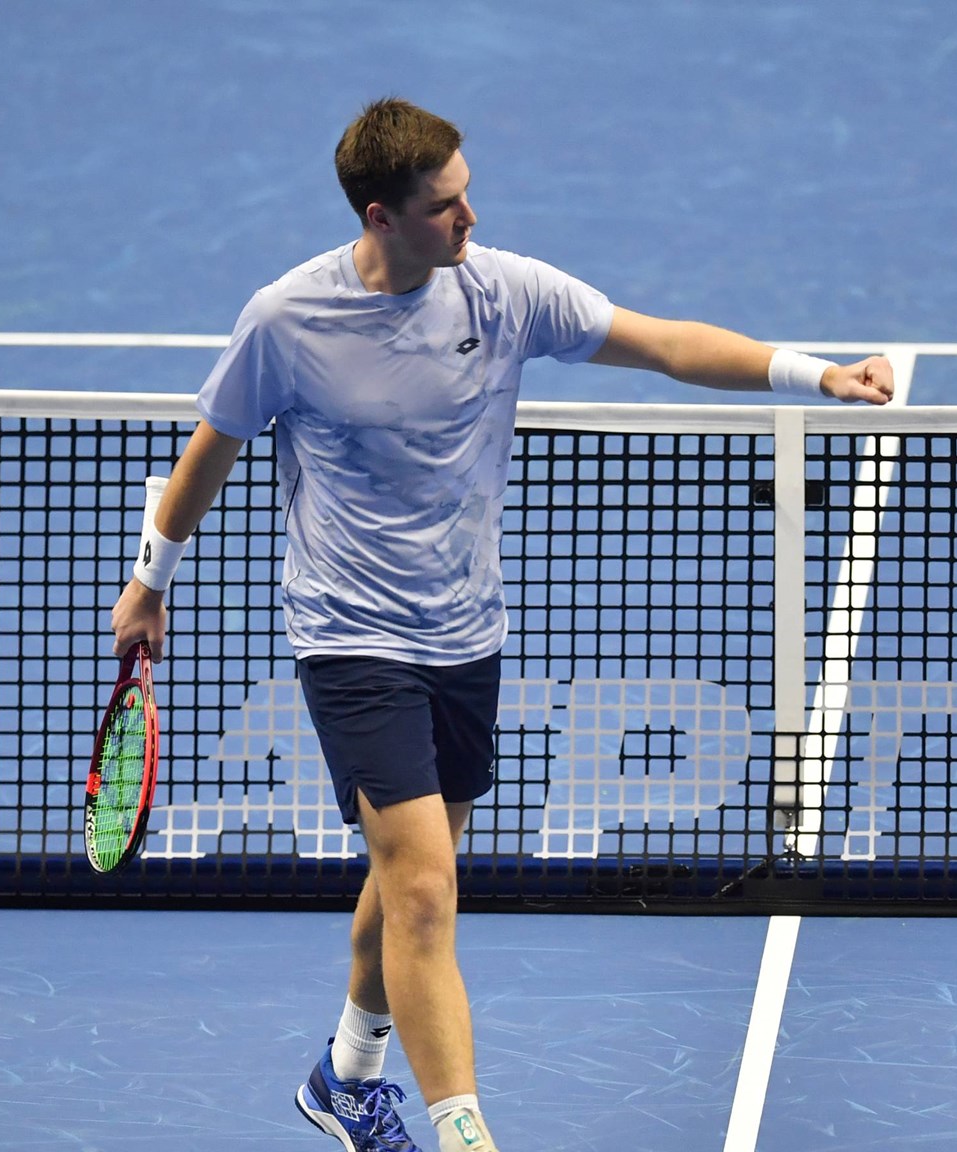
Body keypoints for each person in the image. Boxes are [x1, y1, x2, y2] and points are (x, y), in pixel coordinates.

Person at [109, 97, 892, 1152]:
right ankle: (464, 1132)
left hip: (467, 635)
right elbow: (212, 446)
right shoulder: (286, 320)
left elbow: (664, 344)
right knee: (427, 890)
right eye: (446, 206)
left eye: (467, 194)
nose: (469, 218)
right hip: (351, 639)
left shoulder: (504, 290)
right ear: (382, 217)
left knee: (413, 875)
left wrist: (817, 374)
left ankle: (345, 1076)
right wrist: (150, 582)